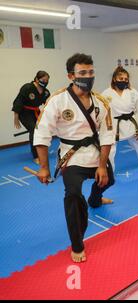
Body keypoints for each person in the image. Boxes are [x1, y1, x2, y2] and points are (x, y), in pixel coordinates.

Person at [33, 53, 115, 263]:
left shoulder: (101, 101)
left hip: (95, 152)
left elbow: (106, 135)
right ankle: (77, 244)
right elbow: (42, 134)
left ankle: (95, 199)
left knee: (108, 180)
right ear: (71, 76)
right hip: (72, 156)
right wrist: (44, 167)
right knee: (73, 195)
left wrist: (103, 165)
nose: (88, 76)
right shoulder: (58, 100)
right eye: (82, 73)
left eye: (91, 72)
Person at [102, 66, 138, 170]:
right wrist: (101, 129)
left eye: (126, 79)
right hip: (114, 125)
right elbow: (102, 113)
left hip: (131, 123)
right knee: (109, 149)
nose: (123, 81)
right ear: (114, 79)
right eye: (121, 79)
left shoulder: (133, 93)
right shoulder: (106, 94)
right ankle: (108, 170)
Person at [12, 71, 50, 164]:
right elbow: (18, 101)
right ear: (37, 79)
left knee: (42, 130)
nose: (45, 82)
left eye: (47, 80)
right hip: (24, 112)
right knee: (34, 130)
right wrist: (16, 117)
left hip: (35, 111)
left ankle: (41, 150)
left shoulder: (45, 92)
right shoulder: (27, 88)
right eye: (43, 80)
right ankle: (36, 156)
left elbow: (48, 105)